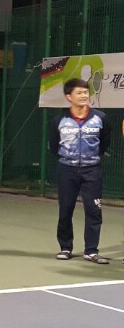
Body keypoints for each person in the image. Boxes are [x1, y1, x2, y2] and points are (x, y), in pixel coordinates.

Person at [49, 78, 111, 264]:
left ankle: (91, 251)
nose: (84, 96)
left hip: (92, 171)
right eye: (79, 93)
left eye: (85, 92)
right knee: (65, 210)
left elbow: (104, 143)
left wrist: (91, 159)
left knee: (94, 211)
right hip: (66, 171)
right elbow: (54, 146)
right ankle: (65, 247)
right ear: (69, 97)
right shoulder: (59, 121)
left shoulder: (101, 118)